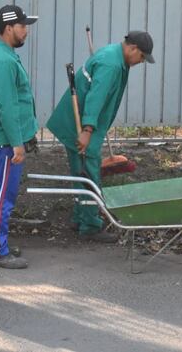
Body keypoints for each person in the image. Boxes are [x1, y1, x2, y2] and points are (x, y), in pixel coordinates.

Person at [47, 31, 154, 242]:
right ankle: (90, 226)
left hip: (80, 121)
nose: (141, 62)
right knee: (89, 173)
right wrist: (86, 131)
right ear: (132, 48)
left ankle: (80, 218)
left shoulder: (114, 56)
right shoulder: (111, 65)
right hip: (80, 125)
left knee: (81, 172)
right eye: (142, 56)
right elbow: (95, 99)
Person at [0, 5, 39, 269]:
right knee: (2, 195)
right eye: (23, 26)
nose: (26, 31)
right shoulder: (2, 60)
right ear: (8, 28)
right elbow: (7, 106)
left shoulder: (1, 53)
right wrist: (17, 143)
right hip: (4, 140)